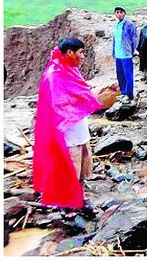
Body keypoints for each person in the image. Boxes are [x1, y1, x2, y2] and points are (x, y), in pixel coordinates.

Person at [33, 38, 102, 210]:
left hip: (79, 126)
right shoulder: (53, 75)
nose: (83, 56)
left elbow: (78, 92)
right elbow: (56, 105)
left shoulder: (70, 69)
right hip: (67, 130)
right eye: (81, 52)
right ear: (70, 53)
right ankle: (67, 203)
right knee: (70, 163)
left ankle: (80, 196)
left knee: (83, 160)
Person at [112, 5, 138, 103]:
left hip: (126, 54)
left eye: (121, 12)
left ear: (124, 13)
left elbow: (134, 38)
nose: (119, 14)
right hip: (118, 54)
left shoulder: (129, 24)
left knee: (128, 74)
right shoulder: (117, 25)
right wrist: (114, 52)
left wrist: (133, 50)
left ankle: (129, 94)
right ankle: (123, 93)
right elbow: (115, 39)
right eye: (117, 12)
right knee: (120, 74)